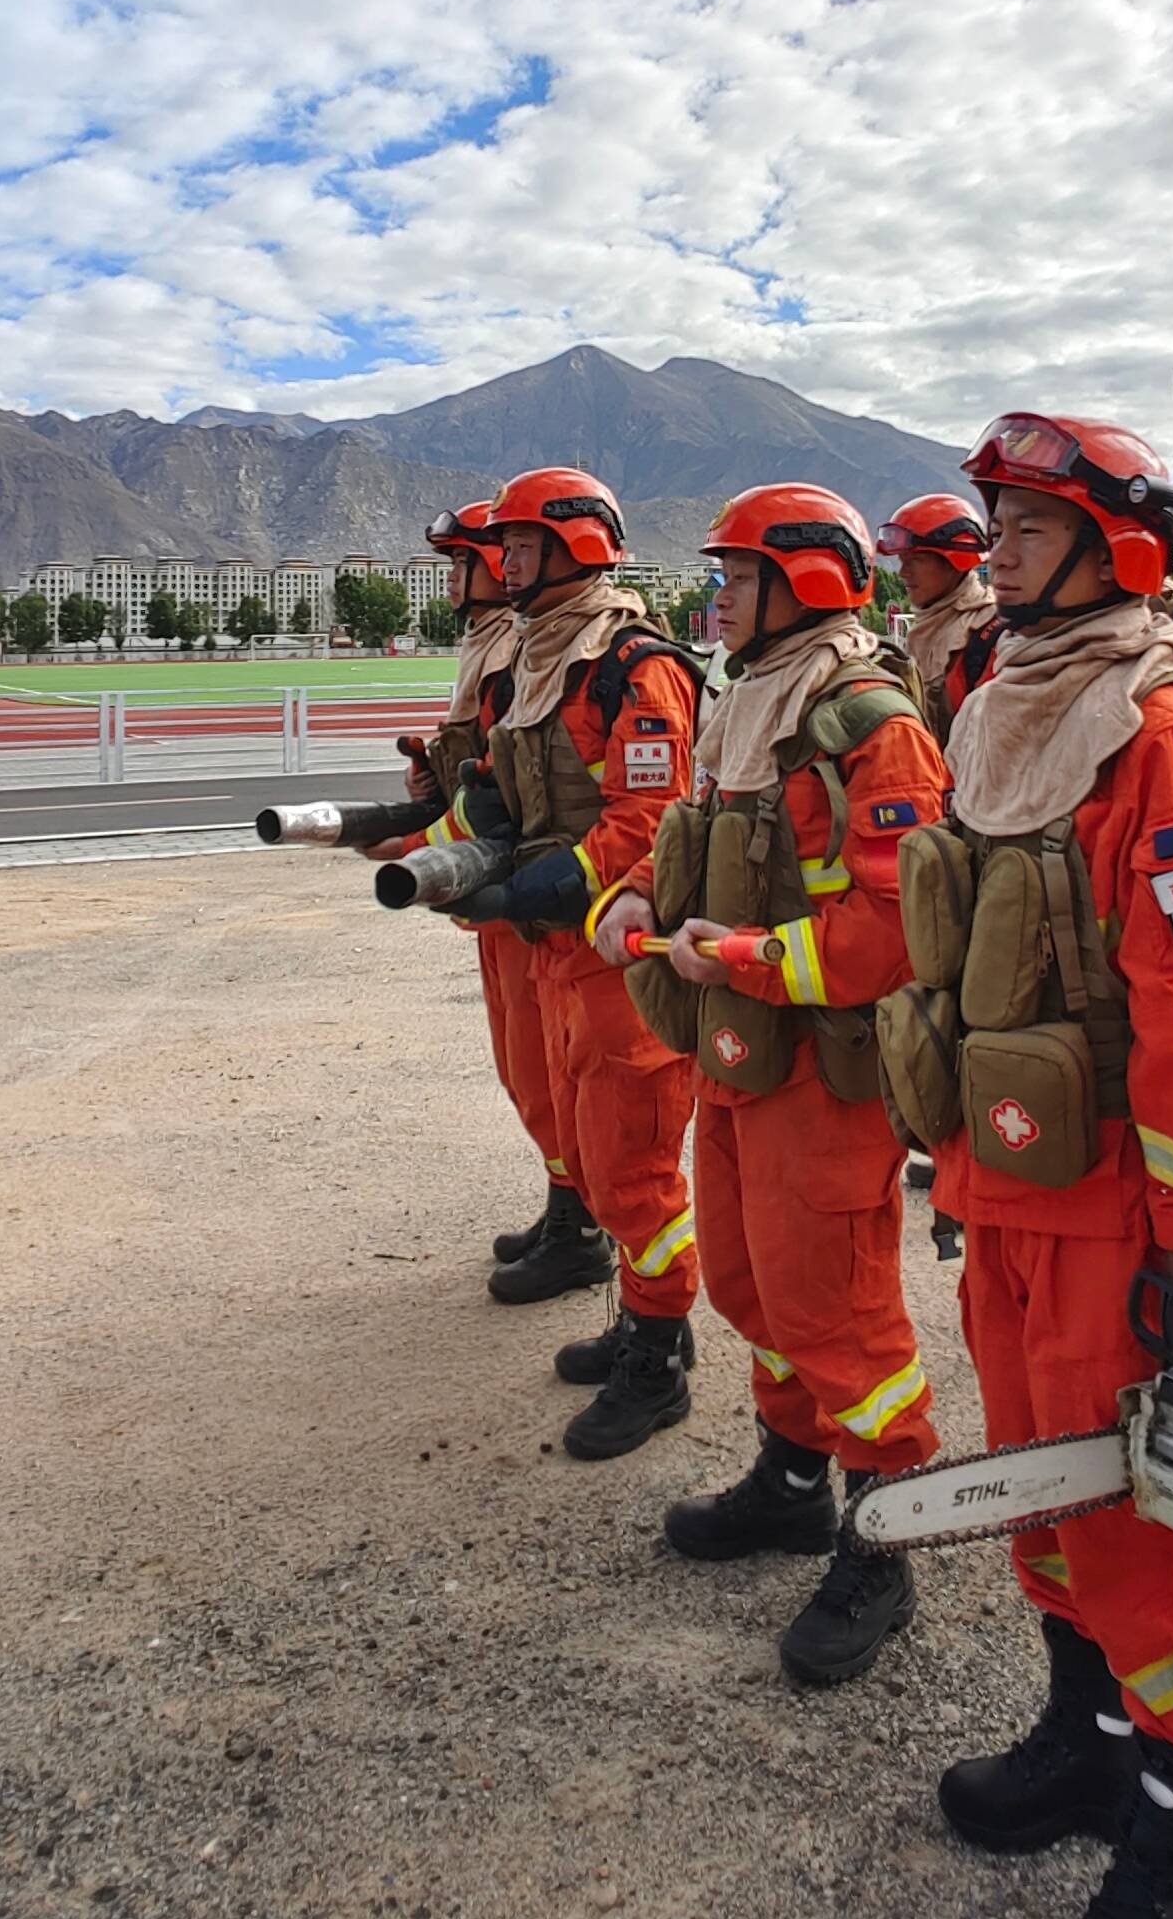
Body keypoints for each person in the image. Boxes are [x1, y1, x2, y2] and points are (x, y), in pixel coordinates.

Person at [902, 413, 1173, 1919]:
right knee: (1050, 1484)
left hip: (1125, 1208)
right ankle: (1086, 1739)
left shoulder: (1160, 724)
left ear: (1117, 542)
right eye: (994, 519)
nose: (996, 544)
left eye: (1030, 524)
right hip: (1012, 1176)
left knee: (1162, 1524)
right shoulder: (1002, 701)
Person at [589, 485, 951, 1685]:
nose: (716, 594)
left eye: (737, 575)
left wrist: (747, 957)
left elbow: (895, 924)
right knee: (749, 1281)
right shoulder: (746, 700)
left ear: (805, 581)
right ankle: (792, 1481)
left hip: (821, 1073)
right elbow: (689, 831)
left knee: (838, 1309)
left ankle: (882, 1529)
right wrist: (635, 893)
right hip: (742, 1052)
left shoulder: (864, 719)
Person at [479, 465, 712, 1455]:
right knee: (592, 1150)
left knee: (635, 1167)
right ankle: (637, 1317)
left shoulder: (629, 664)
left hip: (618, 955)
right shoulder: (542, 658)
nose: (506, 563)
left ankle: (657, 1361)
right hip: (559, 956)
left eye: (523, 546)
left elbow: (650, 819)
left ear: (576, 546)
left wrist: (559, 880)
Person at [407, 503, 605, 1300]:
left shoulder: (531, 654)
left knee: (552, 1069)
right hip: (506, 886)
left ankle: (581, 1220)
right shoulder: (501, 650)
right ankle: (568, 1203)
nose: (463, 577)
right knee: (528, 1070)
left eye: (473, 559)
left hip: (541, 893)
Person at [877, 492, 1000, 733]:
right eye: (902, 561)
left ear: (955, 561)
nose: (903, 573)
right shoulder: (925, 633)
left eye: (917, 560)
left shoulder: (991, 638)